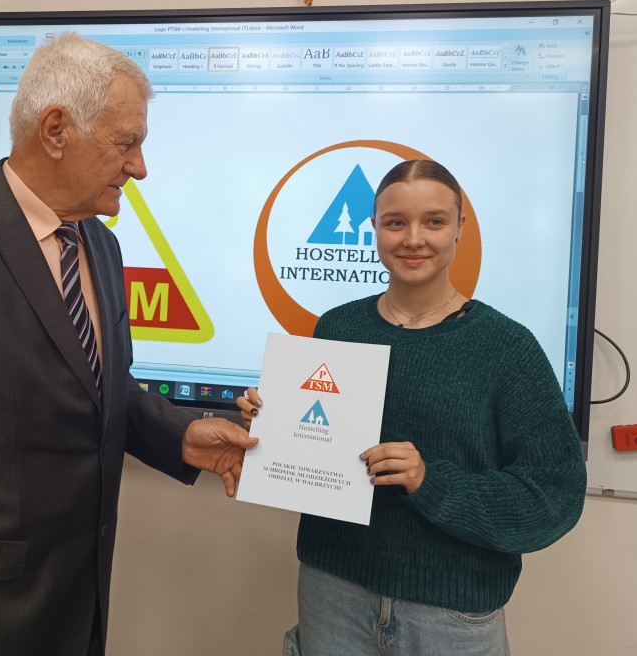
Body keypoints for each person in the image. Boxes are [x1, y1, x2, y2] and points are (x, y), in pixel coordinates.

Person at [0, 33, 257, 656]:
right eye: (126, 143)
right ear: (56, 130)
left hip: (77, 610)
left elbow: (98, 386)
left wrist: (181, 435)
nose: (140, 167)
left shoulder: (101, 245)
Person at [238, 159, 586, 656]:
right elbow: (316, 455)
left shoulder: (508, 347)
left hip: (451, 612)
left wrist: (430, 482)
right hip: (332, 591)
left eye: (434, 221)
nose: (413, 239)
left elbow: (554, 495)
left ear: (460, 227)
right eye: (395, 222)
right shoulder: (337, 327)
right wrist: (269, 425)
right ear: (374, 228)